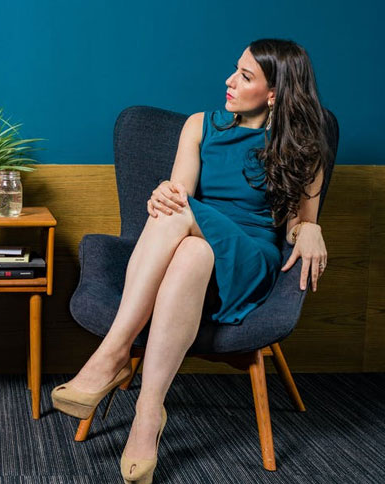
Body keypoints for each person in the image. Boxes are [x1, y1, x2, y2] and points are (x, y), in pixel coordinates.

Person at [51, 39, 330, 484]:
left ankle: (113, 352)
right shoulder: (199, 126)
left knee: (180, 214)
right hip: (197, 251)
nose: (229, 81)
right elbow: (176, 195)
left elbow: (298, 224)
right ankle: (148, 414)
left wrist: (309, 228)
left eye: (244, 76)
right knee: (189, 243)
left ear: (274, 93)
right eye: (234, 69)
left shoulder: (304, 147)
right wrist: (162, 194)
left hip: (250, 257)